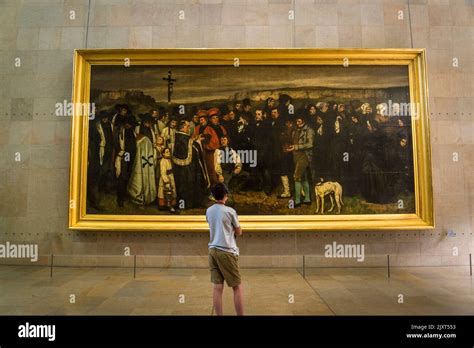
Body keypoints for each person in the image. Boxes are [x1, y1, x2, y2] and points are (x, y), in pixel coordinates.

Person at [206, 183, 244, 316]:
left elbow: (214, 225)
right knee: (237, 286)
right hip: (226, 251)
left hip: (212, 251)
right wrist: (232, 229)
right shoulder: (230, 211)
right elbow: (239, 232)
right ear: (226, 195)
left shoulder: (209, 210)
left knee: (217, 287)